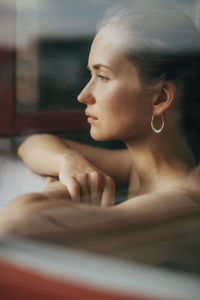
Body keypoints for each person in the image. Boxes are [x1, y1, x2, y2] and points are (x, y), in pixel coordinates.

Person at [0, 1, 200, 257]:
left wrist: (61, 191)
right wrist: (69, 162)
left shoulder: (184, 200)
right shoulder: (137, 168)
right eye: (90, 75)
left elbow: (15, 224)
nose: (83, 95)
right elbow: (32, 144)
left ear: (160, 98)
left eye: (103, 77)